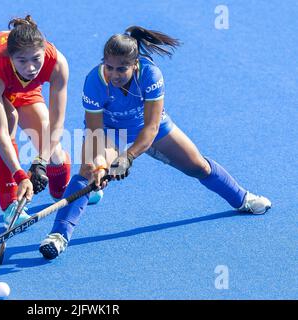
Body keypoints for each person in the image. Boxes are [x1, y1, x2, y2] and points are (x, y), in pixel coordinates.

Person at [39, 26, 272, 260]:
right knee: (88, 171)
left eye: (122, 69)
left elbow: (150, 128)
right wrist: (101, 165)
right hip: (111, 132)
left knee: (198, 167)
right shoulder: (94, 81)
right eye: (109, 67)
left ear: (135, 65)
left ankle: (242, 198)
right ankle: (58, 236)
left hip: (151, 128)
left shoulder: (150, 74)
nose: (114, 74)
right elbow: (94, 132)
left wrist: (127, 157)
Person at [0, 15, 71, 227]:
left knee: (49, 142)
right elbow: (1, 134)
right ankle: (10, 205)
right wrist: (20, 176)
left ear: (44, 50)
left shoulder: (57, 64)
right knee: (9, 118)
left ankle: (64, 191)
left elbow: (57, 124)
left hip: (21, 85)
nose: (31, 68)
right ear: (11, 58)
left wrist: (40, 163)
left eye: (36, 58)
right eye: (22, 61)